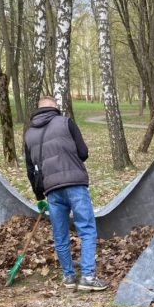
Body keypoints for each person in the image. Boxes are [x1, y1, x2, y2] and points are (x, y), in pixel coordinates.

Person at [24, 96, 106, 291]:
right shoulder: (66, 122)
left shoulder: (28, 134)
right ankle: (88, 276)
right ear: (55, 108)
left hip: (51, 190)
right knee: (86, 230)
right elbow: (84, 152)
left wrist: (39, 196)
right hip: (74, 184)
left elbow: (30, 169)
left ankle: (68, 277)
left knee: (60, 235)